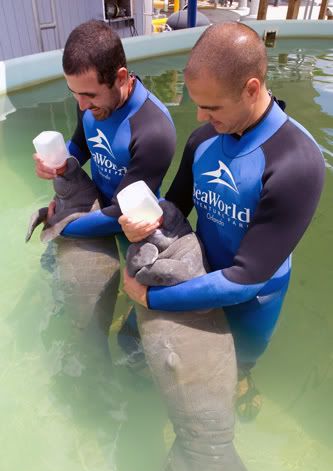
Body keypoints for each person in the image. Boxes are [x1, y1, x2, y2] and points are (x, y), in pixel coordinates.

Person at [121, 22, 326, 420]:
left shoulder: (296, 164)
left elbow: (246, 279)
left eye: (212, 107)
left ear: (251, 89)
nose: (199, 115)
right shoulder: (204, 138)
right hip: (196, 273)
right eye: (198, 103)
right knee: (148, 366)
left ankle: (244, 382)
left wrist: (150, 298)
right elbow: (175, 205)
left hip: (250, 303)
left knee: (228, 379)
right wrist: (142, 223)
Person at [34, 19, 176, 239]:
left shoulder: (155, 130)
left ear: (120, 78)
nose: (81, 105)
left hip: (132, 226)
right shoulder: (89, 101)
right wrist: (57, 165)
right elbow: (82, 145)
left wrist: (60, 225)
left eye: (89, 95)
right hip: (93, 206)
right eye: (74, 92)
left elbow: (124, 210)